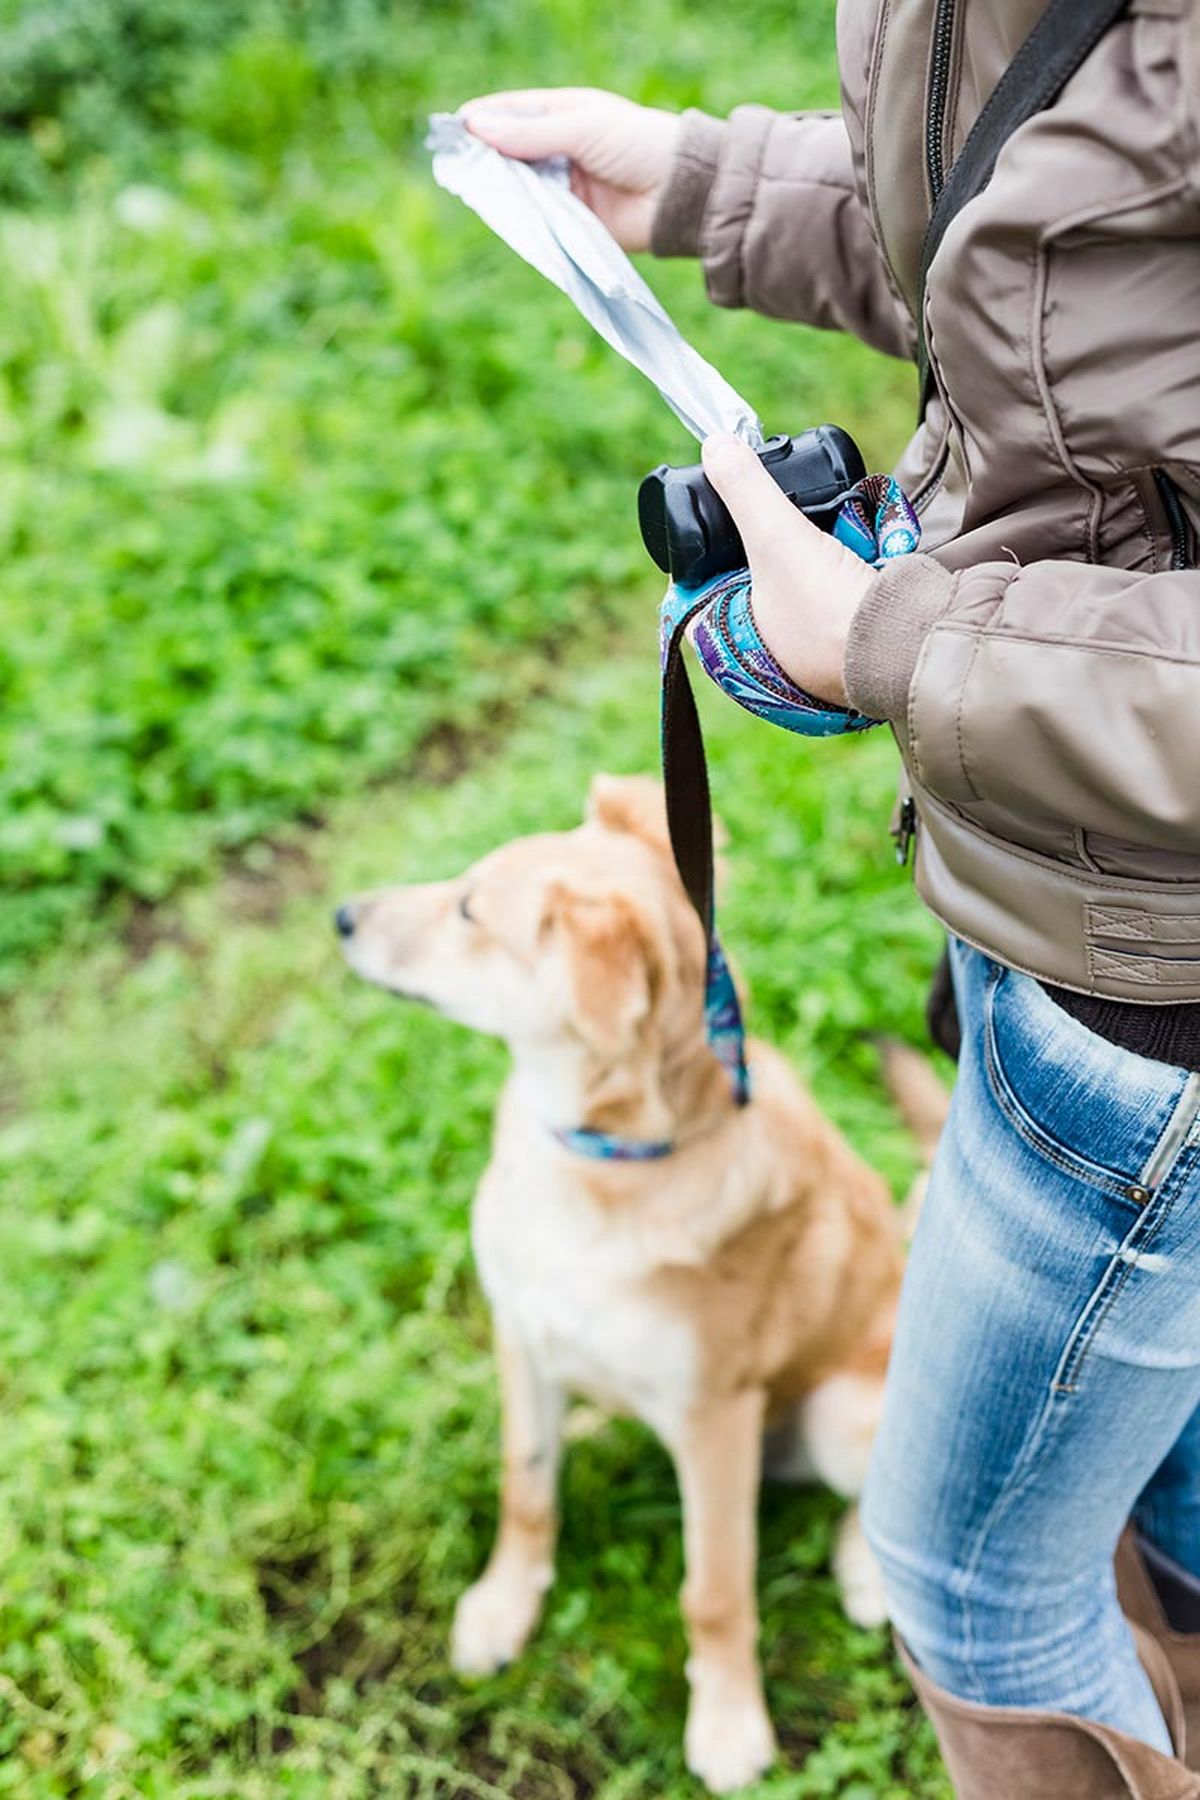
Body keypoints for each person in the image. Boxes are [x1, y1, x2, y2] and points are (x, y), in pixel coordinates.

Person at [463, 9, 1200, 1797]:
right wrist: (707, 182)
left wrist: (907, 638)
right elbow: (1055, 292)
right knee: (1165, 1447)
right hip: (1050, 874)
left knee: (973, 1584)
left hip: (1151, 1018)